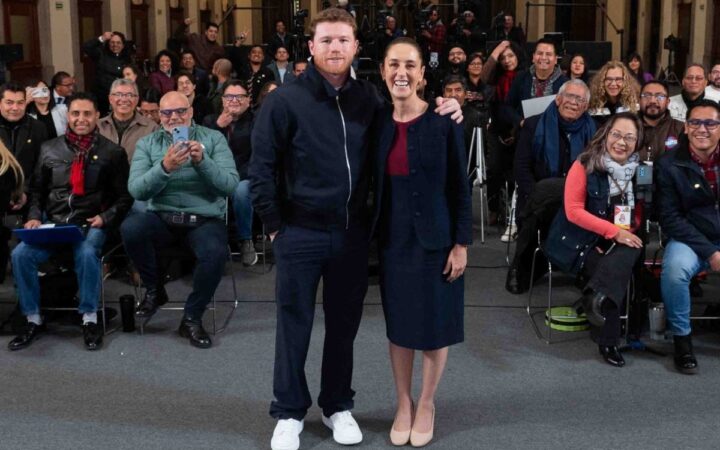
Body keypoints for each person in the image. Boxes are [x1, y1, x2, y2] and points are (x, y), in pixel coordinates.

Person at [249, 9, 462, 450]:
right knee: (294, 325)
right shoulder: (284, 101)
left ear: (356, 48)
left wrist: (450, 106)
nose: (335, 48)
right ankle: (288, 411)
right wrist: (274, 228)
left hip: (352, 235)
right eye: (326, 40)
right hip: (299, 232)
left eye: (343, 40)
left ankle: (336, 405)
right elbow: (261, 168)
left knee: (343, 327)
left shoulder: (370, 99)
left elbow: (411, 115)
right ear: (311, 46)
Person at [373, 38, 471, 447]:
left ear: (422, 74)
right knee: (400, 327)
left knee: (434, 325)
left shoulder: (444, 122)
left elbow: (461, 188)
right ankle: (403, 403)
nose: (402, 73)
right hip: (392, 241)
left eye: (410, 65)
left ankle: (427, 402)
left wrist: (461, 244)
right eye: (394, 64)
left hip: (437, 241)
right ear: (383, 71)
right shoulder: (376, 122)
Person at [8, 92, 132, 351]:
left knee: (86, 253)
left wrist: (105, 217)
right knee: (20, 254)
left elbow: (124, 197)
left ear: (97, 116)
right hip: (54, 224)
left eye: (87, 113)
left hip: (90, 223)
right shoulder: (49, 148)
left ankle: (89, 318)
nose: (81, 119)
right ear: (68, 115)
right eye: (75, 113)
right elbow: (36, 191)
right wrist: (33, 217)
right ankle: (32, 318)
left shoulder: (113, 152)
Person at [120, 91, 239, 349]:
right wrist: (164, 168)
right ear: (159, 116)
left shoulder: (213, 138)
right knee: (131, 228)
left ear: (191, 112)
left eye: (180, 111)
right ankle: (154, 289)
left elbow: (230, 186)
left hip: (204, 219)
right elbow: (137, 190)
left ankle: (192, 317)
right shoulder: (147, 143)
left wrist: (203, 162)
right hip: (162, 218)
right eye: (166, 113)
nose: (174, 117)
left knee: (215, 252)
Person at [545, 113, 644, 367]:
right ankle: (609, 337)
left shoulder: (641, 170)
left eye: (629, 137)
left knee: (627, 253)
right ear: (605, 135)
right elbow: (573, 212)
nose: (621, 142)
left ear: (637, 142)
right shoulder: (584, 164)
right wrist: (614, 232)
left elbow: (645, 213)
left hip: (622, 238)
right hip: (582, 240)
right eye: (616, 135)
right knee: (614, 267)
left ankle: (595, 303)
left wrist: (624, 232)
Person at [505, 80, 596, 294]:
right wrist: (537, 194)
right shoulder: (533, 125)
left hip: (578, 201)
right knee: (539, 206)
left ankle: (584, 267)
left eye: (580, 99)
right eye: (570, 96)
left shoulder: (596, 131)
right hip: (537, 199)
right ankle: (520, 266)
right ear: (558, 99)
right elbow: (521, 168)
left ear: (585, 106)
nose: (573, 102)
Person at [657, 100, 720, 374]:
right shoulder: (669, 164)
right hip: (691, 238)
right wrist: (711, 252)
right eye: (695, 122)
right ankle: (682, 340)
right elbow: (670, 218)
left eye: (710, 123)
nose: (701, 129)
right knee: (674, 271)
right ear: (686, 127)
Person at [203, 80, 257, 266]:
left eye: (239, 96)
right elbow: (202, 152)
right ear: (222, 100)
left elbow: (257, 157)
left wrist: (232, 179)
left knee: (241, 191)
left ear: (248, 101)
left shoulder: (256, 122)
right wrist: (218, 127)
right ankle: (210, 244)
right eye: (229, 96)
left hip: (243, 177)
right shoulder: (210, 121)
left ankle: (246, 240)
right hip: (214, 177)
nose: (234, 100)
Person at [97, 79, 159, 162]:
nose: (124, 99)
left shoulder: (151, 128)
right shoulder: (98, 126)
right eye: (118, 94)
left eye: (130, 95)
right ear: (110, 99)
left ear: (137, 99)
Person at [82, 31, 132, 115]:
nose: (115, 45)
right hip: (101, 97)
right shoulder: (101, 54)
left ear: (123, 45)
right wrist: (102, 38)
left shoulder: (127, 59)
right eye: (112, 42)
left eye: (118, 43)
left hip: (119, 97)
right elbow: (86, 47)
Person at [637, 80, 684, 161]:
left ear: (667, 102)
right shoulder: (626, 126)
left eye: (660, 96)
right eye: (647, 95)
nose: (652, 101)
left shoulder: (681, 129)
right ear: (639, 100)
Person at [587, 61, 640, 125]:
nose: (613, 84)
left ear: (625, 82)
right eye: (609, 79)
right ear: (602, 81)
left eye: (618, 79)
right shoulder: (593, 104)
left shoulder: (634, 105)